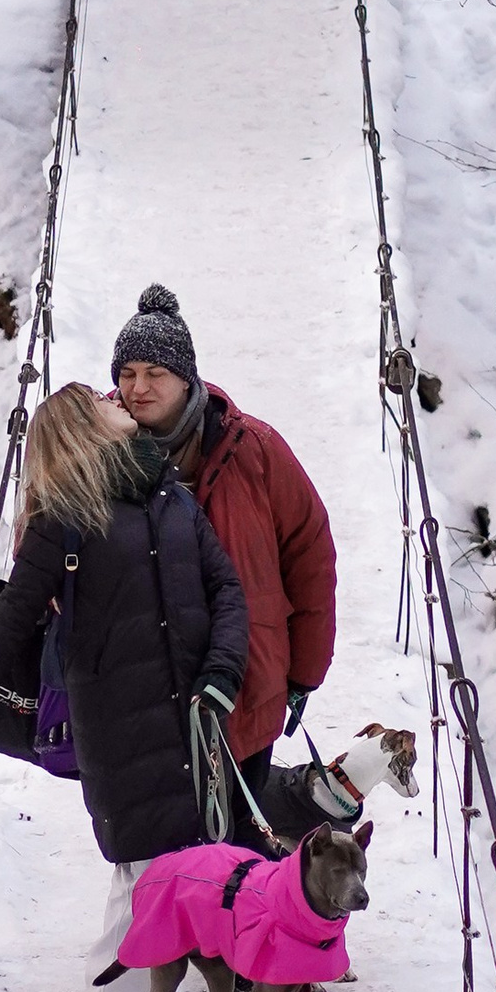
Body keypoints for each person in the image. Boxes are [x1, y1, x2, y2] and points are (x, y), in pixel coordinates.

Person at [0, 383, 248, 992]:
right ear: (81, 426)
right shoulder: (63, 517)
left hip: (189, 713)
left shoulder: (172, 496)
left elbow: (225, 588)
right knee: (145, 868)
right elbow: (12, 614)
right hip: (116, 716)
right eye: (99, 399)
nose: (117, 397)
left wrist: (222, 671)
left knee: (183, 863)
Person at [109, 283, 336, 835]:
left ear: (186, 378)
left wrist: (304, 673)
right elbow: (40, 538)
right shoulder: (94, 448)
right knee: (156, 855)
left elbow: (310, 555)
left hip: (246, 691)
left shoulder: (253, 449)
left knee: (233, 839)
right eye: (127, 373)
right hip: (137, 695)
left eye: (154, 374)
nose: (137, 389)